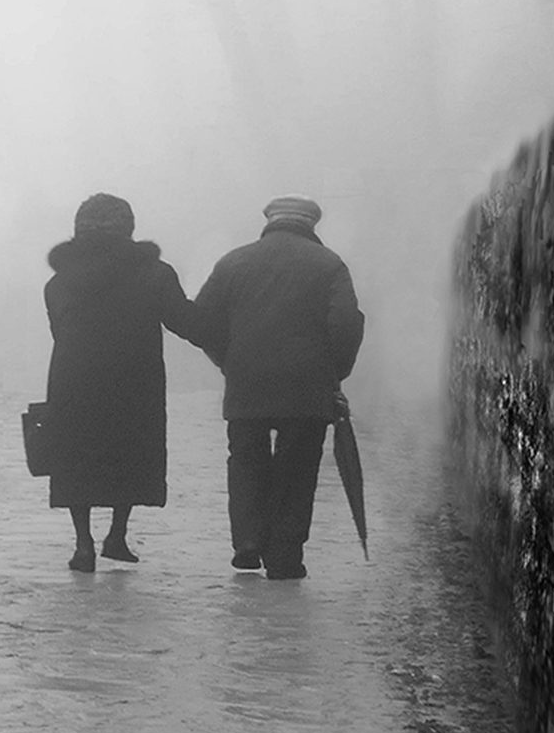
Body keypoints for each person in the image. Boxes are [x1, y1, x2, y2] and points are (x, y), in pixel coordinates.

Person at [193, 195, 365, 580]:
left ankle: (248, 542)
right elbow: (346, 324)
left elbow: (201, 321)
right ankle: (285, 556)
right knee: (297, 466)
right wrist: (333, 373)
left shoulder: (233, 262)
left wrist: (228, 360)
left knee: (246, 460)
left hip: (247, 381)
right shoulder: (329, 265)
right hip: (306, 387)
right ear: (310, 225)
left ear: (270, 222)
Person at [42, 193, 204, 573]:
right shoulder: (155, 274)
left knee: (75, 457)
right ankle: (117, 534)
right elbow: (185, 322)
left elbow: (59, 330)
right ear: (128, 228)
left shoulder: (58, 282)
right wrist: (226, 332)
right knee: (130, 452)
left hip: (74, 378)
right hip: (135, 378)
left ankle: (83, 544)